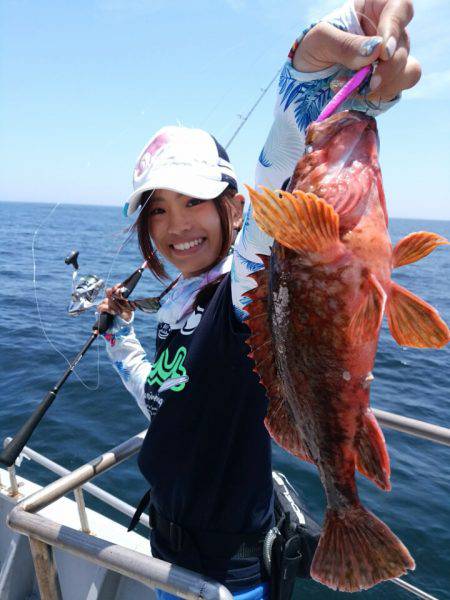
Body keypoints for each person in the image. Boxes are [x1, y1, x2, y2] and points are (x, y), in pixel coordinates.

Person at [98, 1, 420, 598]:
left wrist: (306, 74)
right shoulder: (179, 302)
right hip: (165, 551)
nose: (176, 224)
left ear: (238, 209)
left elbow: (278, 176)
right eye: (159, 208)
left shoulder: (243, 289)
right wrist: (120, 337)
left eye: (194, 200)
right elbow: (165, 399)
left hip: (231, 574)